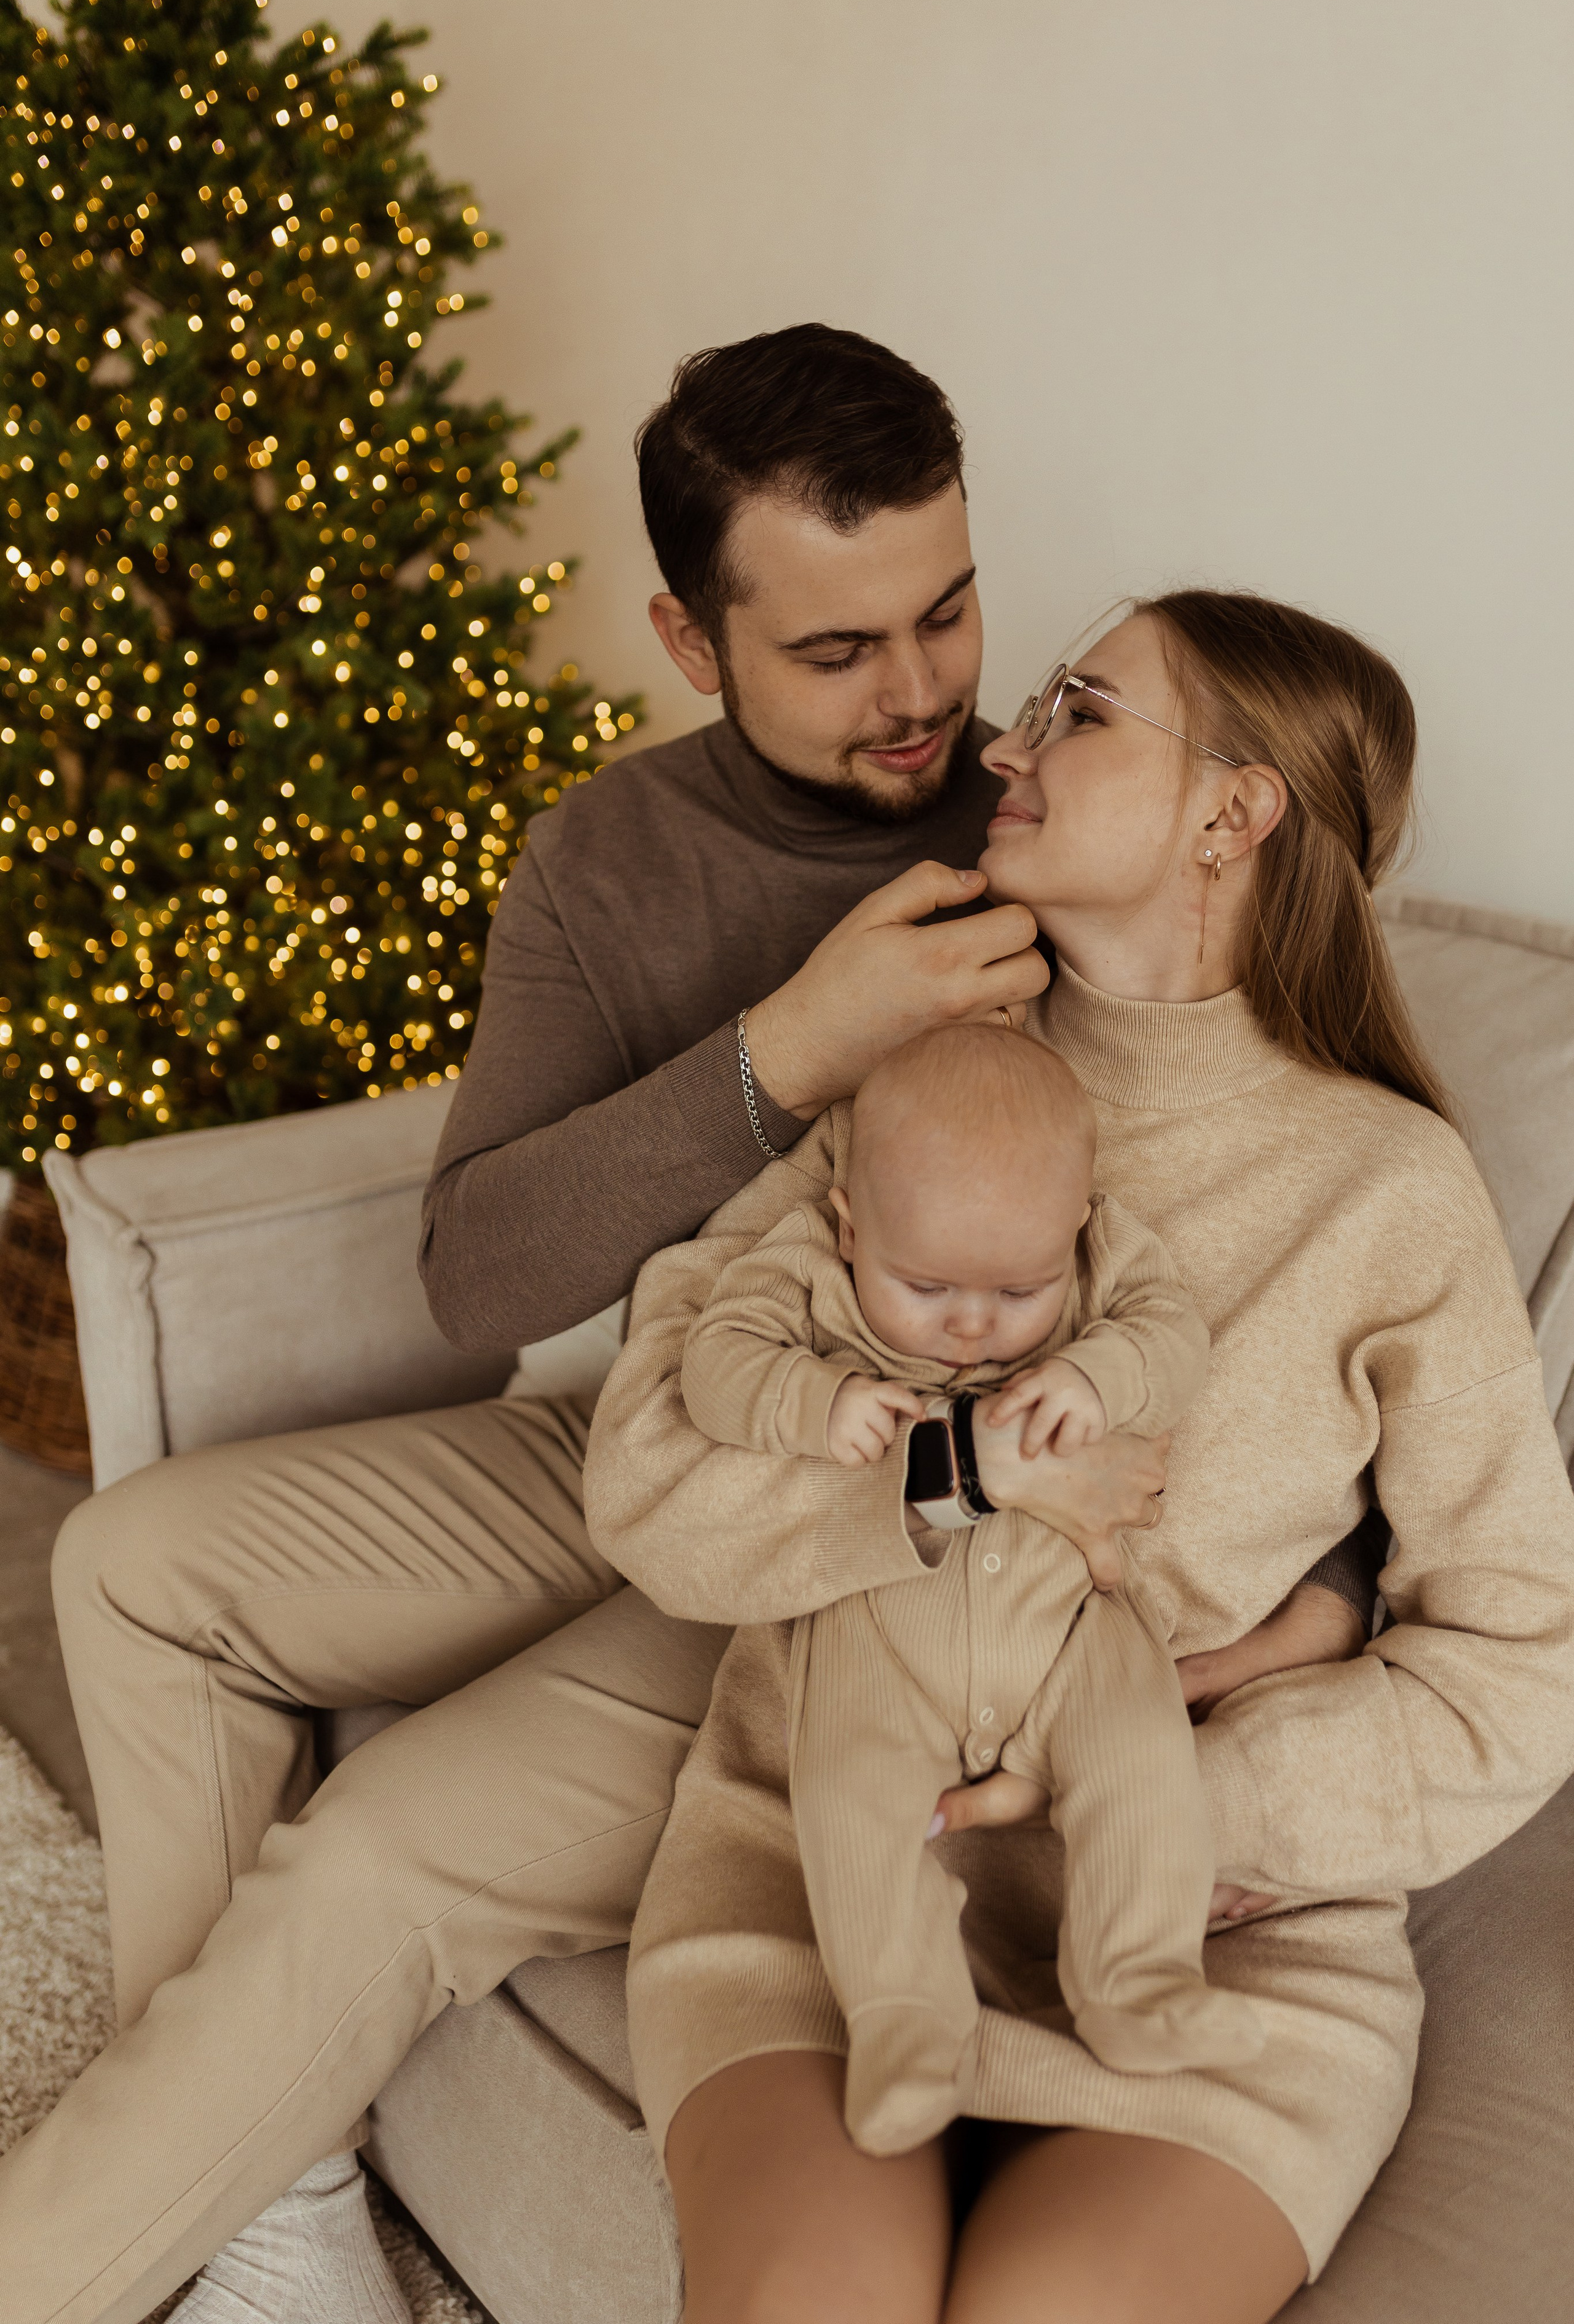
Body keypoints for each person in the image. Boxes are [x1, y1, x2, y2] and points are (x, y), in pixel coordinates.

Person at [0, 333, 1369, 2324]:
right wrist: (789, 1047)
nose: (925, 699)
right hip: (668, 1425)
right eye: (835, 652)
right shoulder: (614, 859)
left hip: (861, 1548)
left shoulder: (1049, 835)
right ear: (687, 631)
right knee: (126, 1563)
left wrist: (1316, 1596)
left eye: (949, 611)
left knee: (379, 1850)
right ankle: (274, 2188)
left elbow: (1268, 1238)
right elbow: (479, 1277)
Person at [583, 589, 1574, 2324]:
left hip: (1216, 1938)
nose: (999, 745)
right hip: (828, 1873)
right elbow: (652, 1479)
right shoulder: (905, 1084)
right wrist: (954, 1479)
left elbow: (1523, 1657)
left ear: (1233, 809)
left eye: (1078, 710)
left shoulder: (1389, 1191)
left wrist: (1174, 1805)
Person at [671, 1017, 1262, 2162]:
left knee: (1140, 1757)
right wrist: (807, 1400)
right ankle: (904, 2022)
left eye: (1020, 1288)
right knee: (850, 1799)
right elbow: (716, 1360)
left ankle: (1138, 1979)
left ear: (1077, 1231)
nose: (972, 1324)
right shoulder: (802, 1267)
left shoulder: (1102, 1262)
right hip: (881, 1626)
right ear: (850, 1227)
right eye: (926, 1284)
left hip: (1070, 1619)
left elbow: (1172, 1332)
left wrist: (1101, 1368)